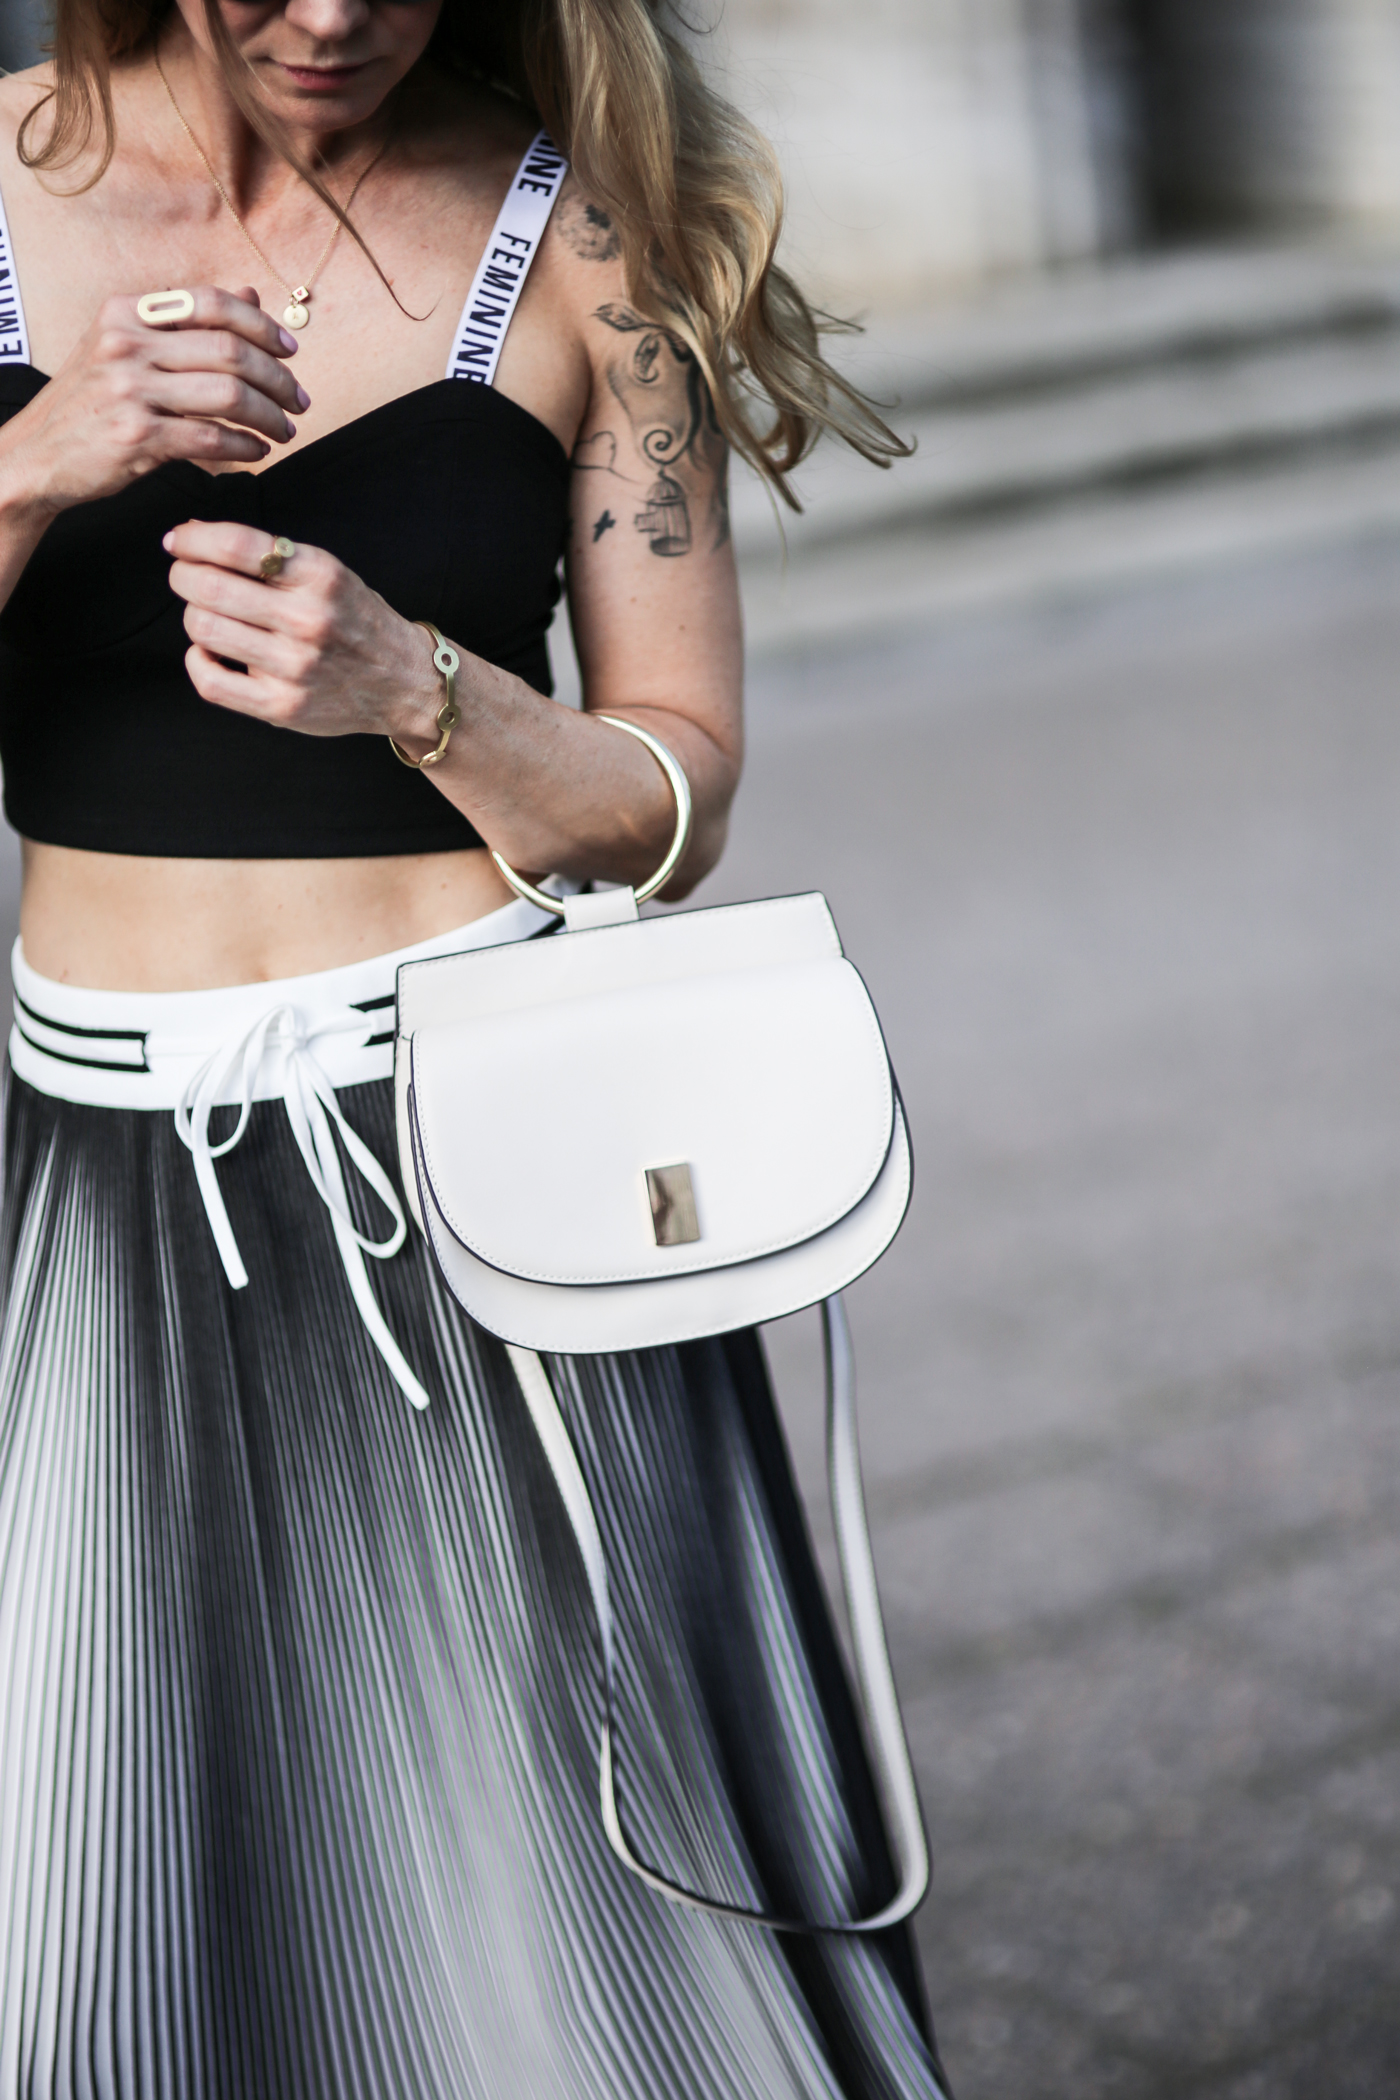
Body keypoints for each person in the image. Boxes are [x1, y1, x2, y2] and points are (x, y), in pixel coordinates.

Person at [0, 1, 950, 2093]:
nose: (336, 14)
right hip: (88, 1178)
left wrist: (421, 691)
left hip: (493, 1165)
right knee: (121, 1875)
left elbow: (678, 794)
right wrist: (39, 460)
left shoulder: (587, 235)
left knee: (586, 1900)